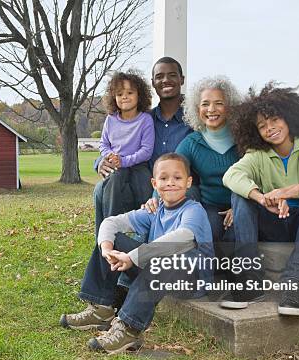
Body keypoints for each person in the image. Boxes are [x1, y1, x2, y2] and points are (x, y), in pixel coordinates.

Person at [60, 153, 214, 354]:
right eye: (164, 178)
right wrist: (107, 250)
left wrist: (133, 257)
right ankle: (101, 309)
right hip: (158, 275)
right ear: (154, 183)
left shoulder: (194, 210)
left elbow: (182, 237)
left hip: (191, 280)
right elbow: (111, 223)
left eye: (177, 178)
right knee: (111, 240)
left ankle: (129, 328)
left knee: (166, 261)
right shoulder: (155, 211)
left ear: (188, 182)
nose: (170, 183)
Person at [221, 83, 299, 315]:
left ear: (289, 117)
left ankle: (295, 285)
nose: (270, 128)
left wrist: (294, 189)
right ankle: (250, 282)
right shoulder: (257, 155)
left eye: (275, 119)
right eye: (262, 126)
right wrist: (261, 198)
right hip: (273, 223)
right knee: (240, 196)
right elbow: (231, 175)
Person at [92, 57, 195, 235]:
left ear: (182, 79)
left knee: (182, 194)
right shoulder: (145, 117)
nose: (165, 80)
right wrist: (101, 160)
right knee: (101, 189)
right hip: (139, 180)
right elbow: (109, 143)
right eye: (160, 76)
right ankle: (105, 243)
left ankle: (146, 246)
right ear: (153, 83)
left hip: (174, 184)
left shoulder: (193, 119)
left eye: (172, 75)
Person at [145, 76, 241, 248]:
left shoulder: (244, 139)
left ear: (229, 107)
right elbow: (170, 168)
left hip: (242, 203)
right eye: (205, 104)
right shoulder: (192, 142)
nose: (211, 109)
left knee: (237, 232)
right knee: (209, 229)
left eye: (218, 103)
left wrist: (239, 207)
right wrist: (155, 198)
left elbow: (259, 174)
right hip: (209, 205)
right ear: (197, 109)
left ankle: (232, 272)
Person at [97, 70, 155, 218]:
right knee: (113, 181)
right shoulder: (110, 119)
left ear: (139, 95)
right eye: (120, 93)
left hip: (138, 166)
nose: (125, 97)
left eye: (130, 92)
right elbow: (103, 143)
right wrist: (109, 155)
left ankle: (146, 229)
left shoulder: (145, 120)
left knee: (144, 187)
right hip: (116, 165)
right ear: (113, 97)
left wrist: (124, 161)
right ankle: (109, 228)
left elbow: (146, 151)